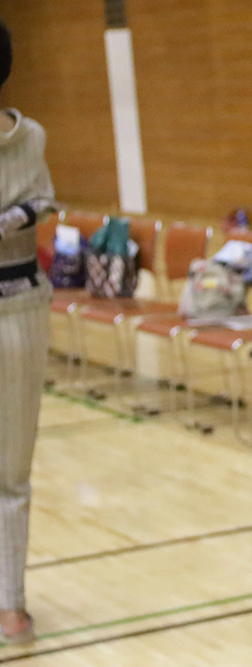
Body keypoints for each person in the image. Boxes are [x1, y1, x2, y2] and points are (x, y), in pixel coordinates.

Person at [0, 18, 56, 645]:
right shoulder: (31, 135)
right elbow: (43, 202)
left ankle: (10, 606)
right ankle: (10, 609)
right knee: (10, 475)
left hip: (16, 311)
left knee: (9, 473)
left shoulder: (32, 134)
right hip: (23, 312)